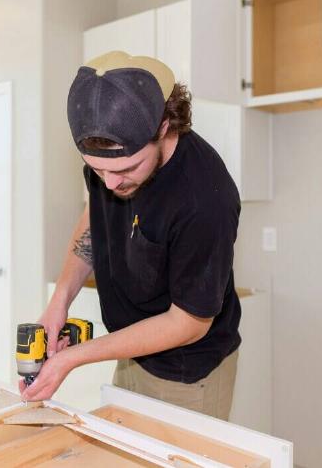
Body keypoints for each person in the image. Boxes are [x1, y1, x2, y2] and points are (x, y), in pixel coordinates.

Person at [20, 51, 241, 419]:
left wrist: (74, 357)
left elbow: (188, 323)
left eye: (125, 169)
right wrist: (59, 300)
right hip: (130, 351)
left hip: (187, 373)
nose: (110, 183)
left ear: (164, 126)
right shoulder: (109, 160)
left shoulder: (205, 199)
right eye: (97, 171)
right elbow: (95, 214)